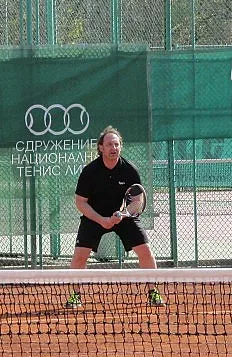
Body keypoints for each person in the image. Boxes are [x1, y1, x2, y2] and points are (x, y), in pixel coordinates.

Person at [66, 125, 164, 308]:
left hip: (123, 217)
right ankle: (75, 295)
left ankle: (153, 292)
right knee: (79, 256)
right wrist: (102, 220)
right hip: (94, 217)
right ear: (101, 147)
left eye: (117, 144)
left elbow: (137, 200)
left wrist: (124, 213)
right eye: (110, 144)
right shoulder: (90, 171)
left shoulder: (129, 170)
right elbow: (81, 202)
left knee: (145, 251)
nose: (114, 148)